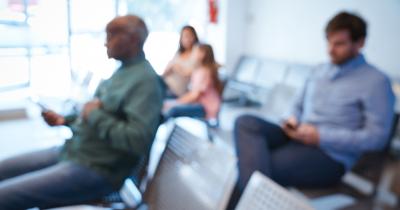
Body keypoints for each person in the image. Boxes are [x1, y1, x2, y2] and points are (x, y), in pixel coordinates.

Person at [227, 11, 395, 209]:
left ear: (360, 43)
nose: (330, 50)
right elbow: (296, 104)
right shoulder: (319, 71)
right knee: (245, 122)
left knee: (253, 165)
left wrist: (321, 136)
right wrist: (291, 119)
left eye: (339, 44)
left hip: (329, 155)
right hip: (296, 136)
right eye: (329, 42)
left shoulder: (376, 82)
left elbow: (376, 138)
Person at [0, 15, 164, 209]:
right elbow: (97, 114)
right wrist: (66, 120)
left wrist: (94, 114)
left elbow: (136, 140)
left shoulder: (146, 82)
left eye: (111, 36)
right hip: (74, 151)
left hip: (96, 168)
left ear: (133, 40)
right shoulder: (122, 72)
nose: (105, 43)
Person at [164, 44, 222, 122]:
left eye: (196, 52)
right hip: (203, 104)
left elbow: (194, 95)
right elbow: (185, 74)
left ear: (203, 54)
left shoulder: (203, 72)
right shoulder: (201, 70)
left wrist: (175, 103)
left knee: (173, 110)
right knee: (170, 104)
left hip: (206, 107)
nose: (193, 54)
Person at [162, 25, 199, 97]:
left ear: (194, 37)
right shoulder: (178, 53)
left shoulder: (197, 52)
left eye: (189, 36)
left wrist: (177, 68)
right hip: (166, 84)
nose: (187, 39)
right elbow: (165, 72)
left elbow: (191, 73)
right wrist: (172, 67)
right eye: (184, 36)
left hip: (176, 91)